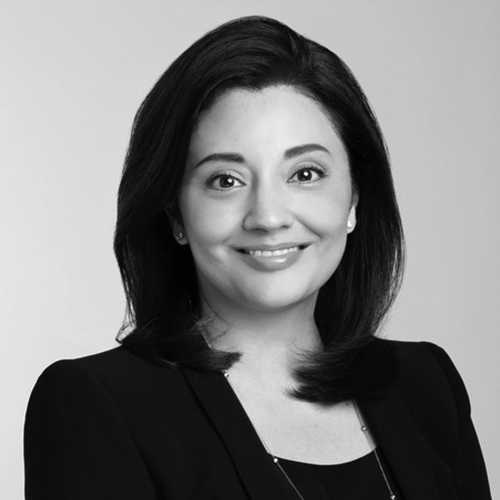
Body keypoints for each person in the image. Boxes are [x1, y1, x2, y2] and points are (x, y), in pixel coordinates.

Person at [24, 16, 491, 500]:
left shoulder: (426, 385)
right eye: (225, 180)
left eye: (305, 174)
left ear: (354, 197)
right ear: (176, 213)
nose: (268, 217)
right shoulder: (97, 404)